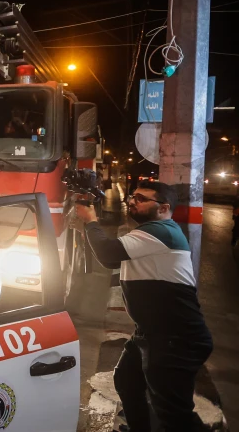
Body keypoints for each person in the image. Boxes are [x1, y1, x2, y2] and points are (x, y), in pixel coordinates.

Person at [75, 181, 212, 432]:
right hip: (152, 333)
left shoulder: (161, 231)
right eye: (133, 196)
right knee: (127, 381)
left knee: (174, 414)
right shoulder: (152, 232)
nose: (132, 201)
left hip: (175, 336)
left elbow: (108, 253)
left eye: (141, 198)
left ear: (164, 208)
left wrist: (91, 221)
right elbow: (111, 260)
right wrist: (89, 225)